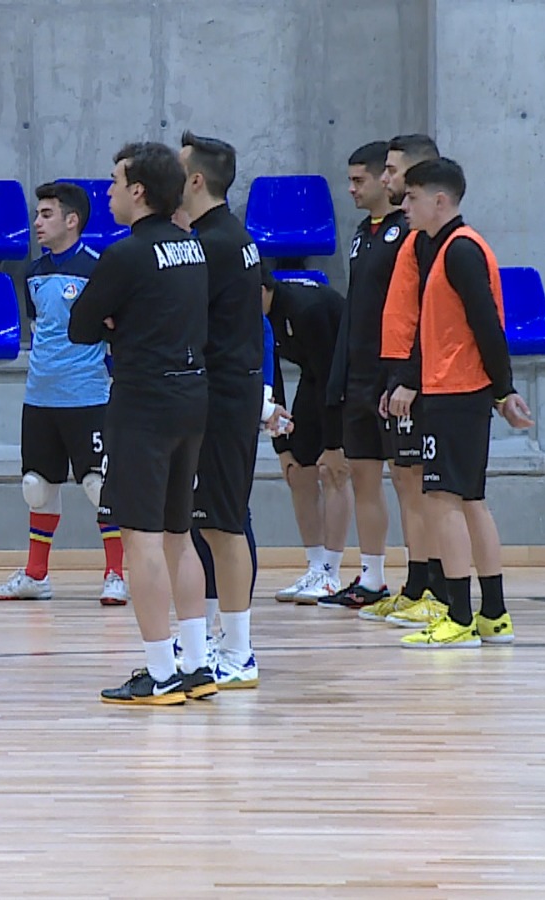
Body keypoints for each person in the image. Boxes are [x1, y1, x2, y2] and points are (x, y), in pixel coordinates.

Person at [69, 141, 215, 706]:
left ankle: (159, 673)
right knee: (180, 534)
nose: (106, 193)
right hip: (191, 396)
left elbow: (81, 325)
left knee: (140, 537)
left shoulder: (125, 256)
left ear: (137, 191)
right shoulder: (193, 248)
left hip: (143, 401)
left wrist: (115, 320)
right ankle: (198, 664)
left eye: (113, 183)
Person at [382, 158, 531, 648]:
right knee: (470, 502)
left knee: (443, 502)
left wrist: (504, 389)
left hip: (453, 392)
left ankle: (460, 618)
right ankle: (493, 615)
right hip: (460, 391)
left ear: (439, 201)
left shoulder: (459, 250)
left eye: (412, 197)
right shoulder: (447, 248)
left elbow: (489, 326)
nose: (405, 206)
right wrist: (498, 390)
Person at [0, 182, 127, 606]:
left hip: (88, 398)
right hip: (40, 398)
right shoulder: (32, 274)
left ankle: (116, 573)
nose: (37, 223)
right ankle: (36, 574)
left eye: (46, 214)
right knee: (37, 487)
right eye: (36, 214)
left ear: (72, 220)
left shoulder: (102, 269)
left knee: (99, 486)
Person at [174, 132, 266, 687]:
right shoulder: (228, 234)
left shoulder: (214, 242)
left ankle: (240, 651)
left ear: (196, 179)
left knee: (224, 526)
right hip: (230, 390)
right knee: (210, 524)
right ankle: (222, 637)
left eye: (178, 166)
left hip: (226, 395)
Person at [359, 133, 451, 627]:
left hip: (420, 380)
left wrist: (410, 377)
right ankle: (417, 582)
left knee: (423, 487)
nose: (386, 178)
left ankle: (437, 588)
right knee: (404, 481)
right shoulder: (413, 239)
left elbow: (433, 320)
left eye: (393, 171)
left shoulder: (438, 244)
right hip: (393, 372)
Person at [324, 140, 410, 611]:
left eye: (360, 180)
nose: (352, 189)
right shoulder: (362, 233)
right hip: (357, 375)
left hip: (391, 376)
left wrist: (401, 376)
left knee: (406, 481)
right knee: (362, 477)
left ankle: (424, 579)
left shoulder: (408, 233)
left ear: (385, 179)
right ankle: (372, 578)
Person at [262, 271, 351, 607]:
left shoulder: (306, 310)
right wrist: (282, 447)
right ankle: (315, 567)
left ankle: (331, 572)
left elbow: (333, 375)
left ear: (261, 290)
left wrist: (334, 444)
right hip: (316, 376)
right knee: (298, 471)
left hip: (348, 376)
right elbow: (272, 382)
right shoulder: (262, 317)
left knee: (332, 470)